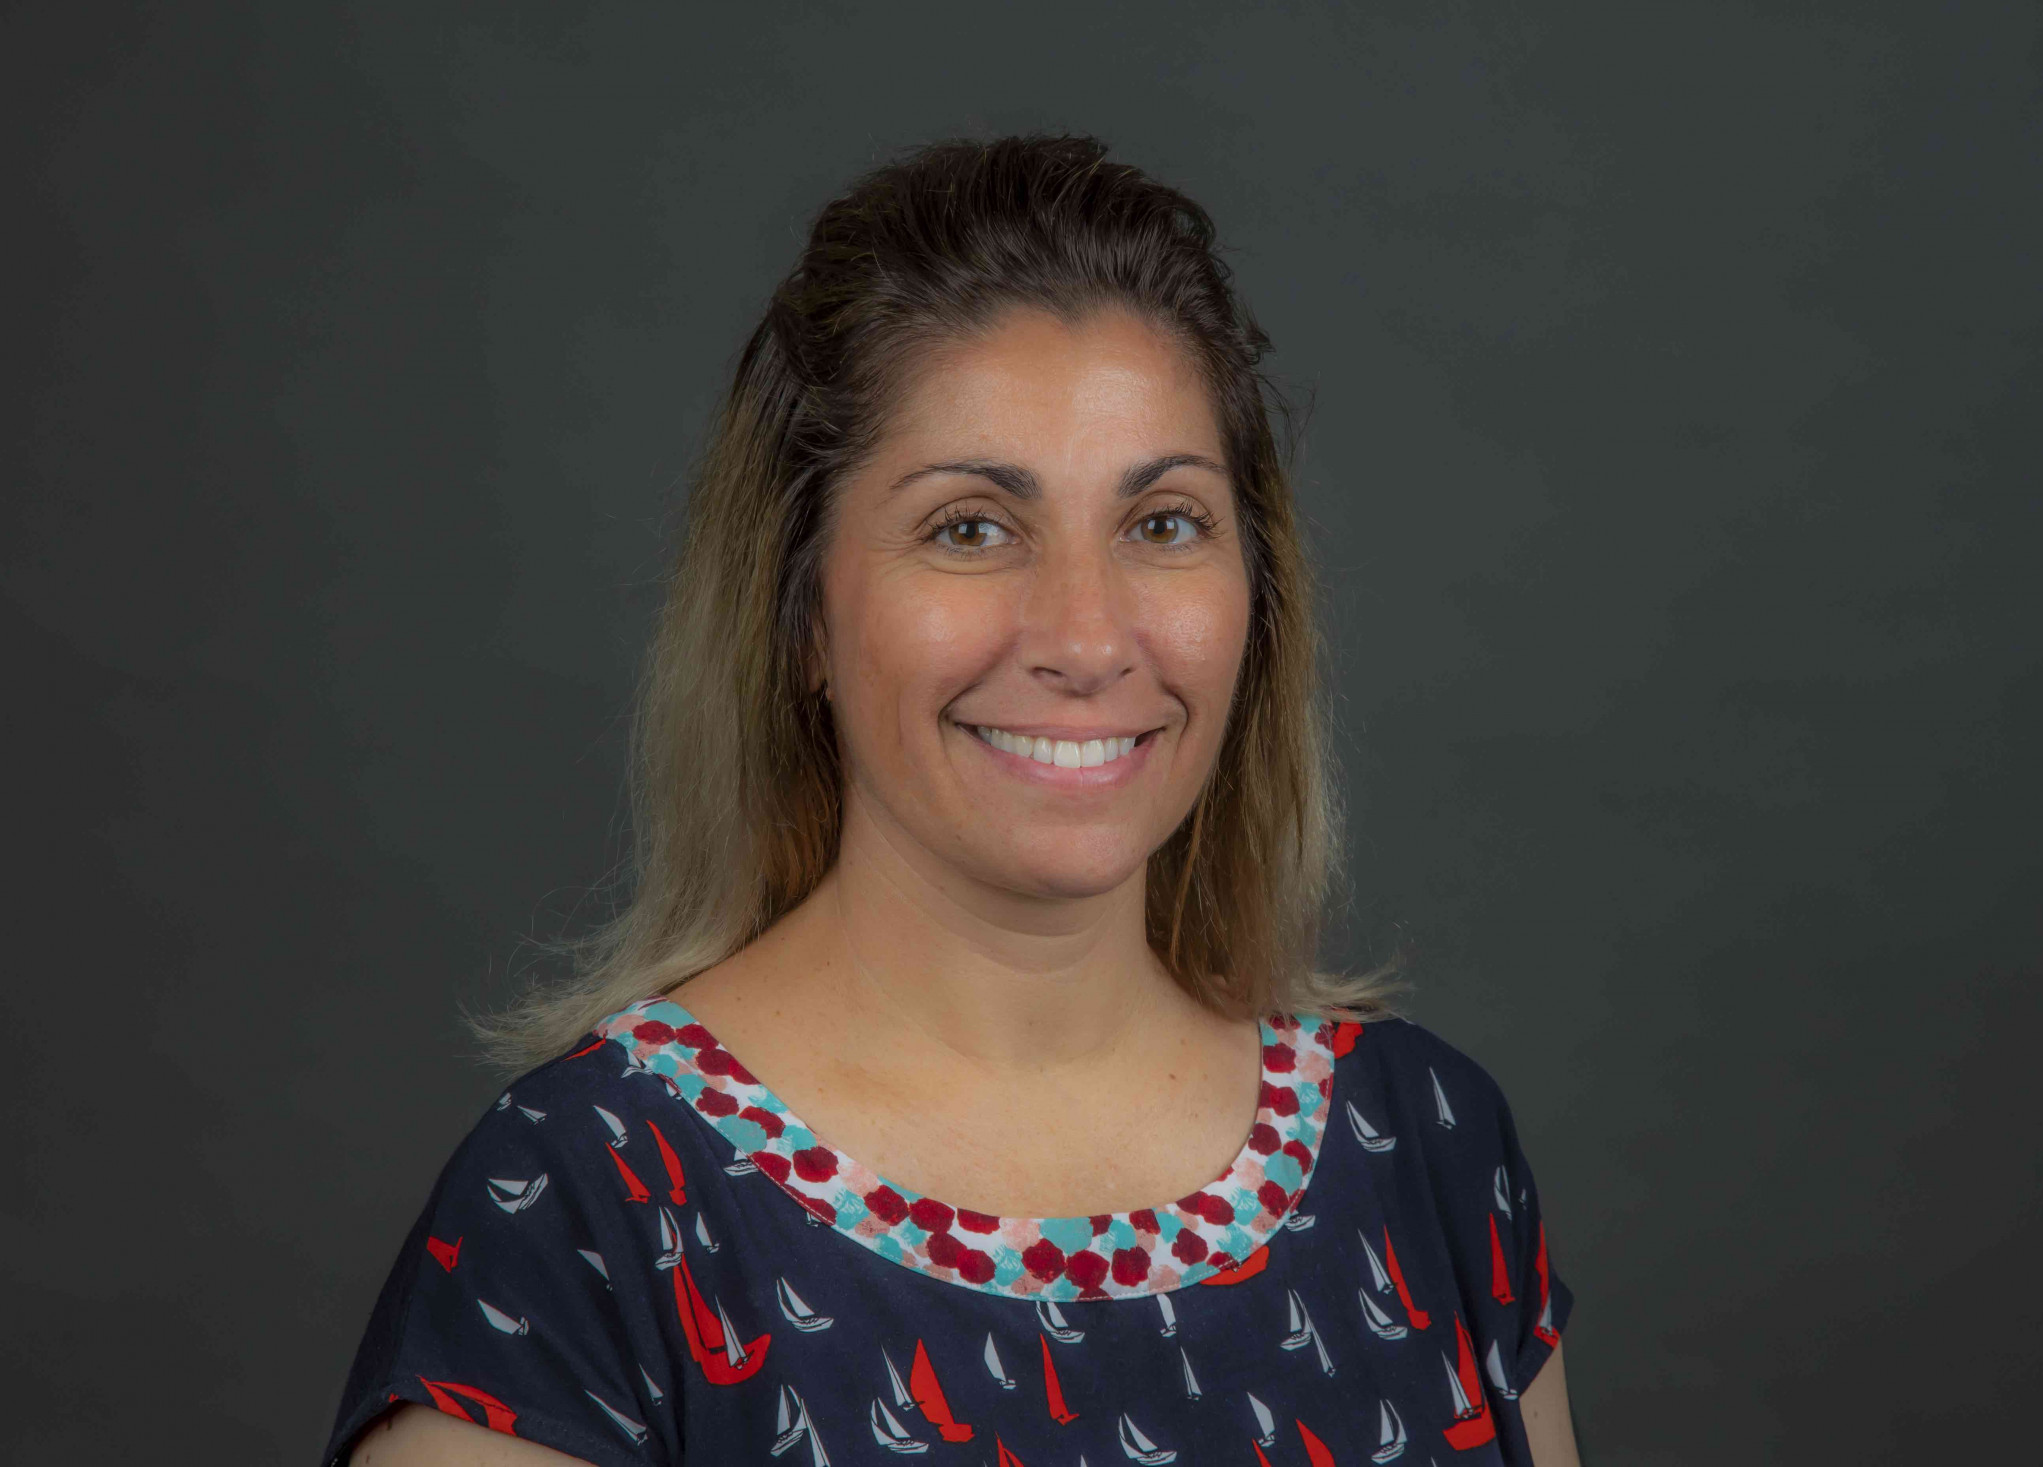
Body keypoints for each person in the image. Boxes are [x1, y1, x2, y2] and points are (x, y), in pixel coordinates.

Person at [327, 134, 1580, 1467]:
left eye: (1162, 523)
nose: (1088, 638)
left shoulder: (1425, 1151)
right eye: (971, 528)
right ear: (799, 610)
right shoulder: (589, 1206)